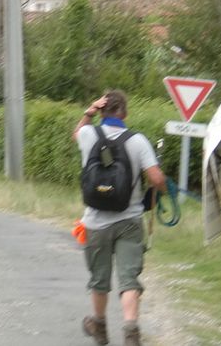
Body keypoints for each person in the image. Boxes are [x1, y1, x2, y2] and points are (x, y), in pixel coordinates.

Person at [72, 90, 166, 346]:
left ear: (102, 111)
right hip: (129, 221)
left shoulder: (89, 134)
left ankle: (100, 327)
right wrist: (163, 188)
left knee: (99, 280)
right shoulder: (138, 141)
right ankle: (131, 333)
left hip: (95, 223)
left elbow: (76, 133)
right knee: (129, 280)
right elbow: (156, 179)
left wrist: (88, 112)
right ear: (124, 113)